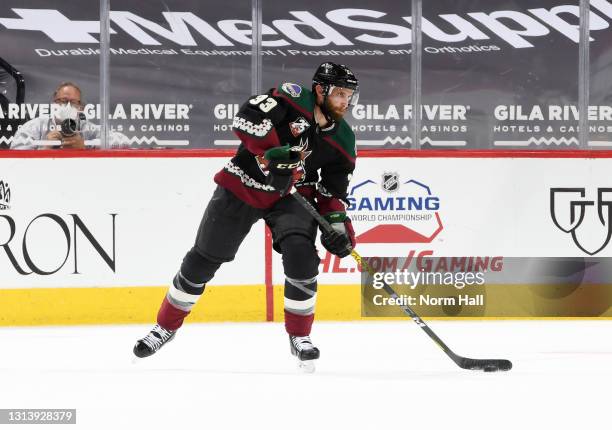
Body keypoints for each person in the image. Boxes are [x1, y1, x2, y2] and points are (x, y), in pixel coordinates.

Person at [133, 62, 360, 370]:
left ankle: (300, 337)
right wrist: (273, 155)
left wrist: (337, 225)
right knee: (204, 258)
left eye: (350, 96)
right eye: (341, 94)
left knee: (302, 256)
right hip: (243, 184)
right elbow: (247, 118)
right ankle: (165, 327)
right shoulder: (292, 99)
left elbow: (333, 190)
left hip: (291, 197)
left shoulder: (343, 138)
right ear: (320, 90)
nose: (346, 102)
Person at [10, 82, 128, 149]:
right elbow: (15, 152)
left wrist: (85, 145)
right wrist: (44, 148)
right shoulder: (35, 126)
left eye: (73, 102)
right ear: (54, 103)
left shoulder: (86, 128)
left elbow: (123, 141)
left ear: (80, 107)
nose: (67, 106)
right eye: (63, 100)